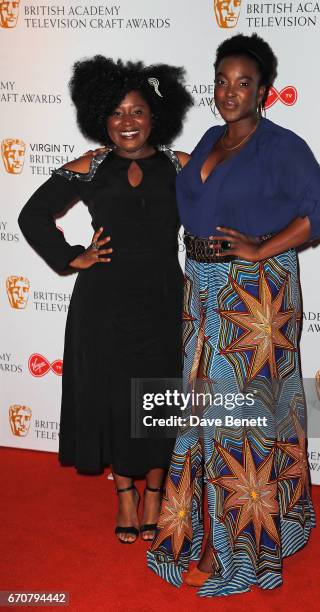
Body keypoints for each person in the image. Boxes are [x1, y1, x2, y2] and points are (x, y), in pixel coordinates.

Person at [147, 33, 320, 595]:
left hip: (254, 293)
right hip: (202, 292)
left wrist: (261, 247)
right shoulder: (210, 137)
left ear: (264, 91)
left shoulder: (282, 145)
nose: (230, 93)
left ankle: (233, 545)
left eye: (244, 83)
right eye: (222, 81)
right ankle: (208, 526)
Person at [18, 56, 192, 544]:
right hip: (104, 301)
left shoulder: (181, 166)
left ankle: (156, 491)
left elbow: (223, 207)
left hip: (162, 297)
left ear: (156, 114)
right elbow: (32, 216)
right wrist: (75, 256)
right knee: (115, 395)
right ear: (102, 119)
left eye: (137, 111)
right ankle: (125, 495)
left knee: (162, 394)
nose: (127, 122)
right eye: (116, 113)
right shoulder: (91, 166)